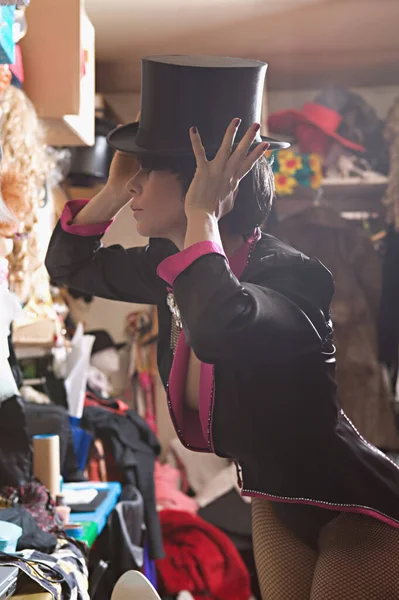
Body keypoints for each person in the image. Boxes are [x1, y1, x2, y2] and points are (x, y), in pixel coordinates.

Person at [46, 56, 399, 599]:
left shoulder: (294, 278)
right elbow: (68, 268)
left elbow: (220, 327)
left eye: (146, 172)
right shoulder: (172, 268)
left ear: (207, 185)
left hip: (358, 514)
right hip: (275, 502)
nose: (134, 186)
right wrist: (114, 193)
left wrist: (203, 216)